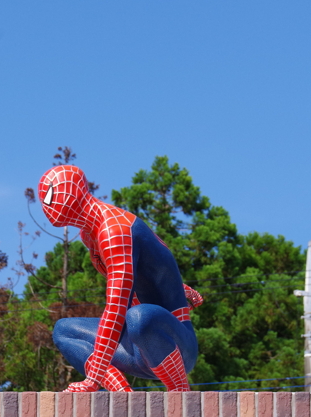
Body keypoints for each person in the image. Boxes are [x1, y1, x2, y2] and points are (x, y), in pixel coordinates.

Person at [38, 164, 202, 392]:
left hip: (173, 345)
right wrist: (178, 287)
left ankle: (180, 394)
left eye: (50, 195)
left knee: (138, 317)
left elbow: (117, 306)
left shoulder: (114, 230)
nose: (46, 205)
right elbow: (143, 270)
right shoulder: (89, 234)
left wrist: (91, 379)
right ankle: (122, 395)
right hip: (133, 348)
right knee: (63, 330)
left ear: (74, 189)